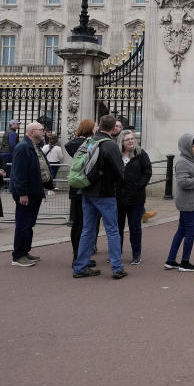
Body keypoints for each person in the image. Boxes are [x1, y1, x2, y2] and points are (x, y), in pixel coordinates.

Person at [72, 114, 126, 279]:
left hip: (86, 190)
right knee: (112, 230)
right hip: (105, 193)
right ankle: (117, 267)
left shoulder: (89, 141)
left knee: (87, 230)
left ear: (100, 126)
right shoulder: (110, 145)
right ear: (113, 128)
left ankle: (80, 266)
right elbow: (119, 172)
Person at [8, 122, 50, 265]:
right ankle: (18, 255)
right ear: (32, 132)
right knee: (23, 224)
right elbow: (19, 173)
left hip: (34, 190)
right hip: (27, 192)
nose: (44, 132)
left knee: (29, 223)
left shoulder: (33, 146)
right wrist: (23, 193)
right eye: (41, 129)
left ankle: (25, 251)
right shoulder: (23, 147)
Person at [165, 134, 194, 271]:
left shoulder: (189, 160)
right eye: (193, 146)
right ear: (186, 147)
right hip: (187, 202)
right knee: (192, 230)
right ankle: (185, 262)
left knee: (182, 230)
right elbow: (182, 182)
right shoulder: (182, 161)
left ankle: (170, 260)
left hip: (190, 200)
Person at [116, 129, 152, 266]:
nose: (131, 141)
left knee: (135, 227)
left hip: (136, 198)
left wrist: (138, 185)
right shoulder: (117, 155)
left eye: (132, 139)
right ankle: (116, 253)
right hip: (119, 197)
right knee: (117, 228)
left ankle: (136, 254)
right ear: (122, 142)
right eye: (127, 139)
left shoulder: (141, 154)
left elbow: (147, 172)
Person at [64, 119, 94, 265]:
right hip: (83, 186)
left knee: (77, 223)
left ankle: (78, 255)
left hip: (75, 186)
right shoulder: (87, 142)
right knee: (82, 224)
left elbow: (67, 145)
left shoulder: (74, 143)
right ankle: (79, 257)